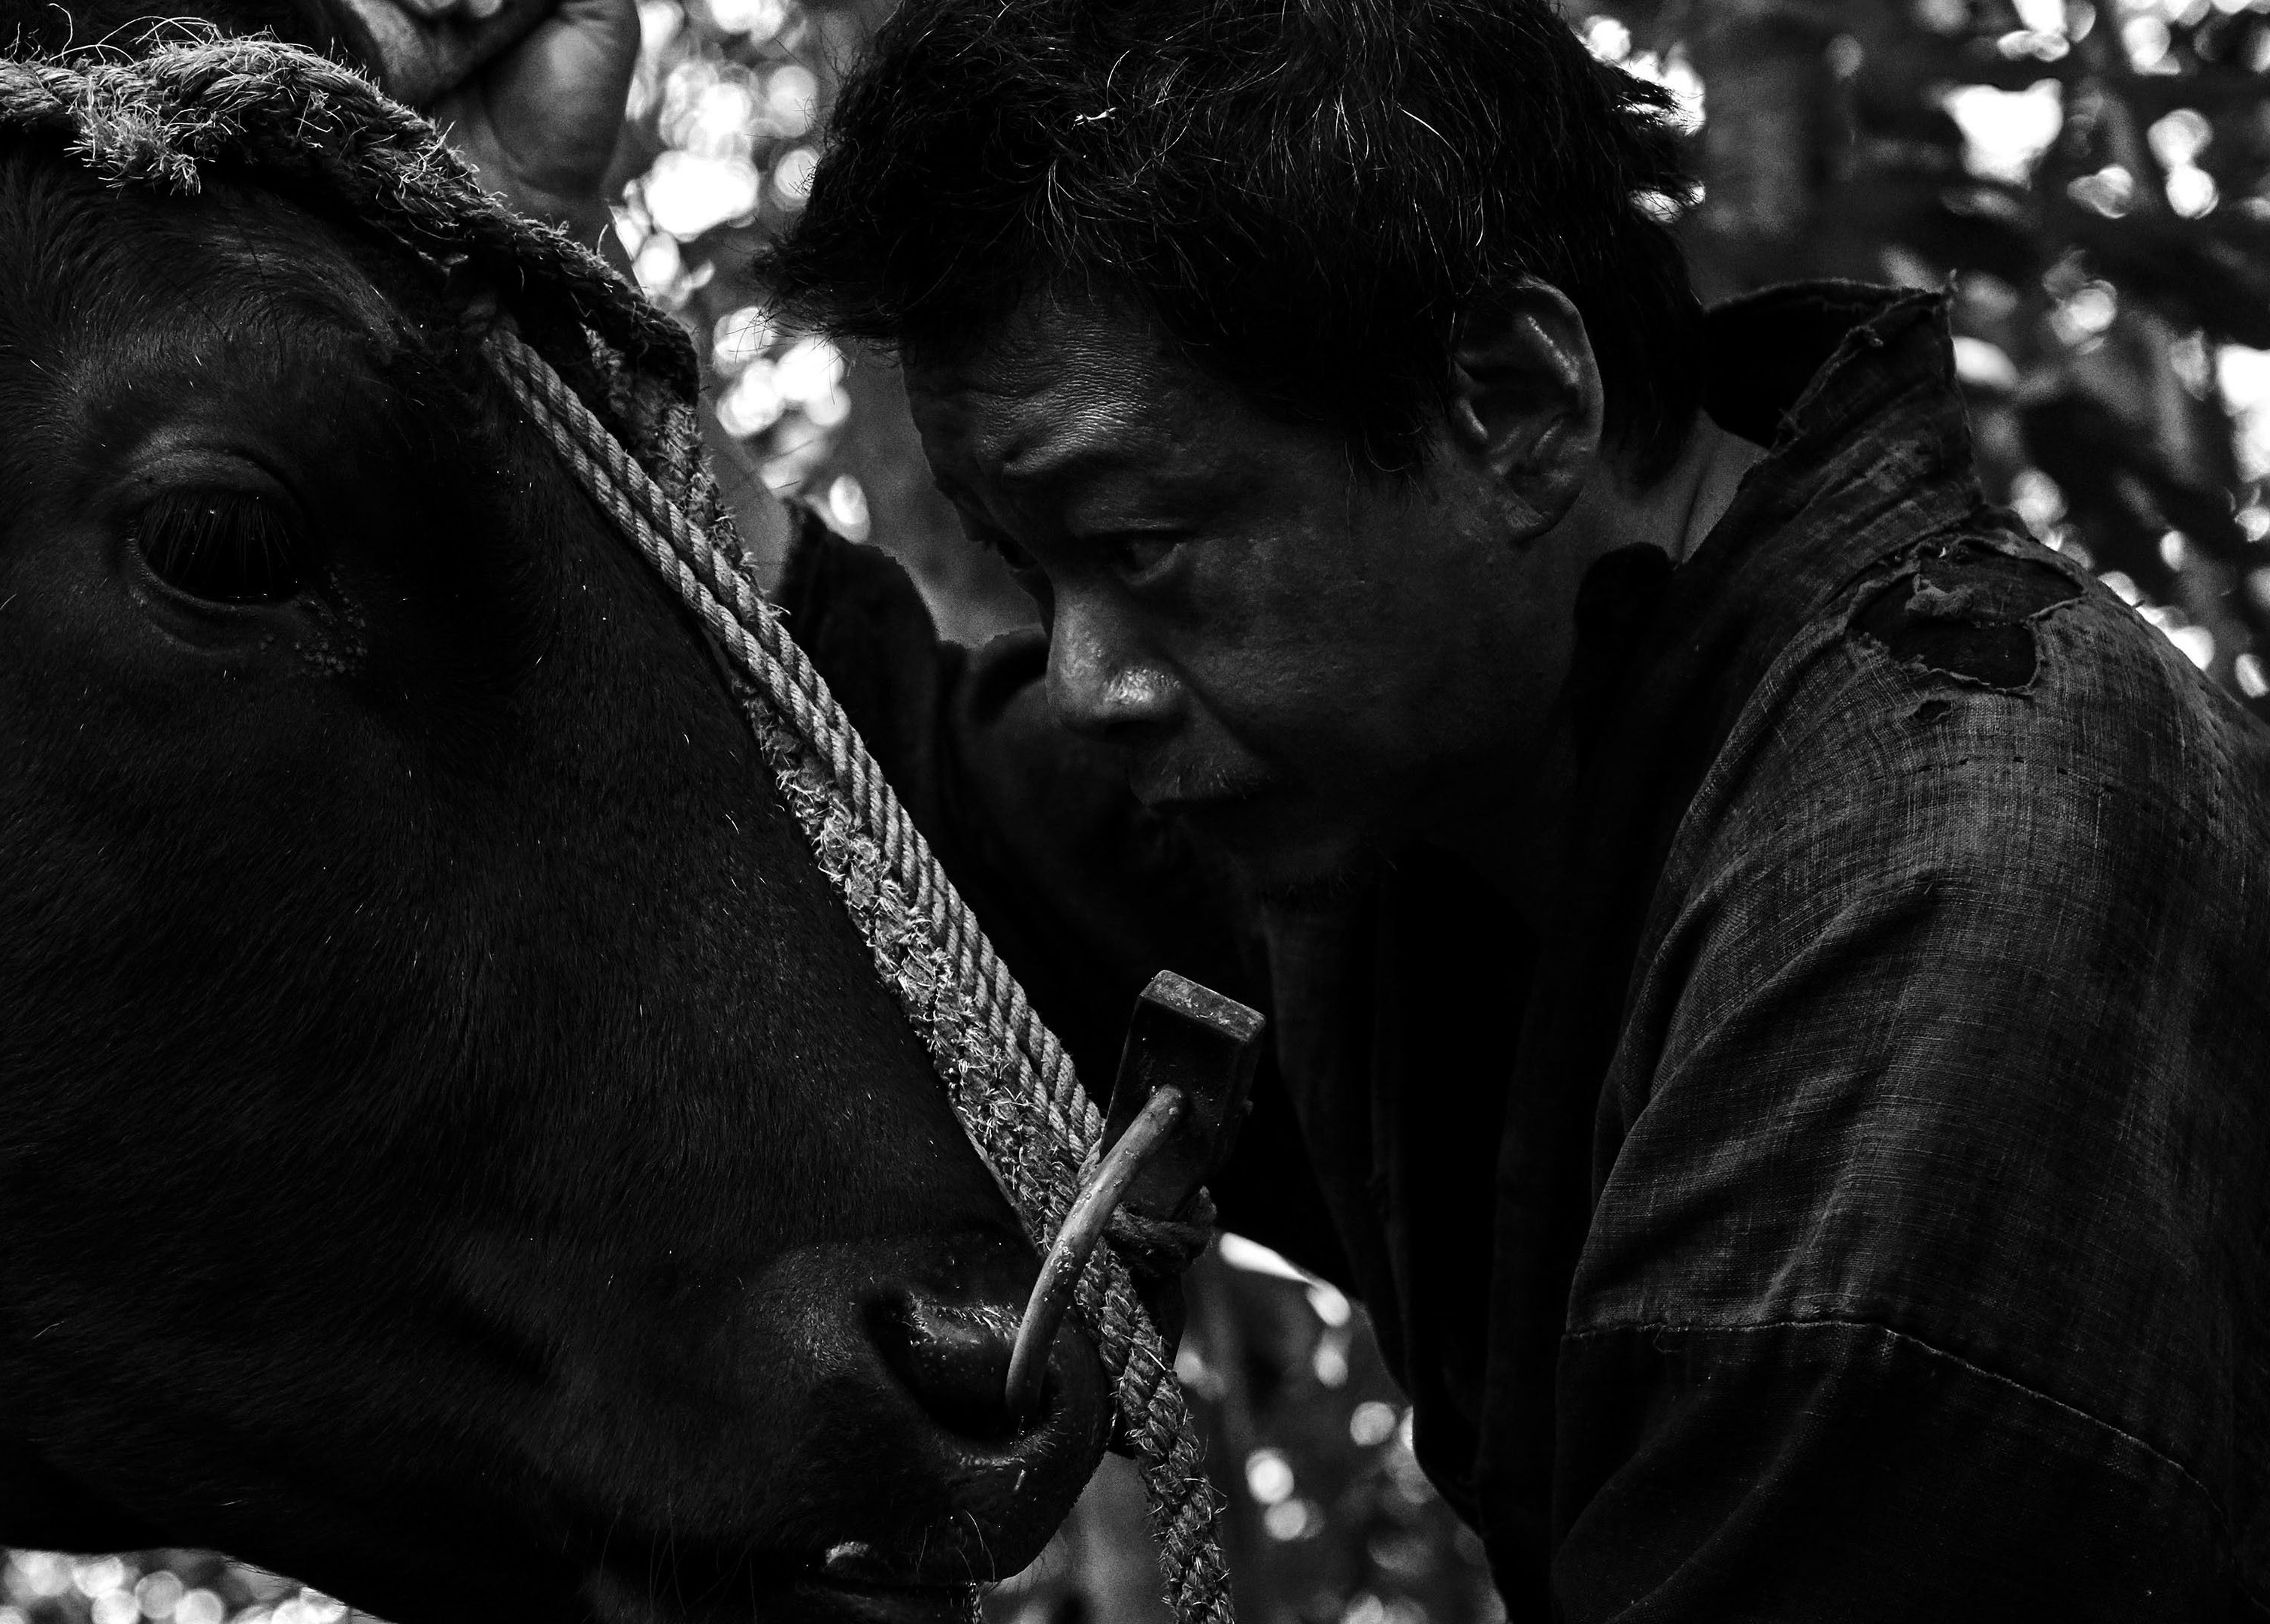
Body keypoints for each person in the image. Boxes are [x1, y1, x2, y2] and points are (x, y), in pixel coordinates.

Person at [411, 0, 2270, 1616]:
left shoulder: (1942, 883)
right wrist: (500, 239)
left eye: (1143, 545)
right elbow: (900, 765)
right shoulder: (1443, 791)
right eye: (1035, 572)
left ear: (1514, 401)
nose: (1088, 680)